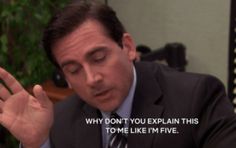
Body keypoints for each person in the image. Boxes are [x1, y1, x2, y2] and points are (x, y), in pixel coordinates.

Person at [0, 1, 236, 148]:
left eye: (99, 58)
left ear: (128, 47)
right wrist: (37, 144)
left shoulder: (197, 98)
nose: (92, 79)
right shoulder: (59, 121)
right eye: (74, 70)